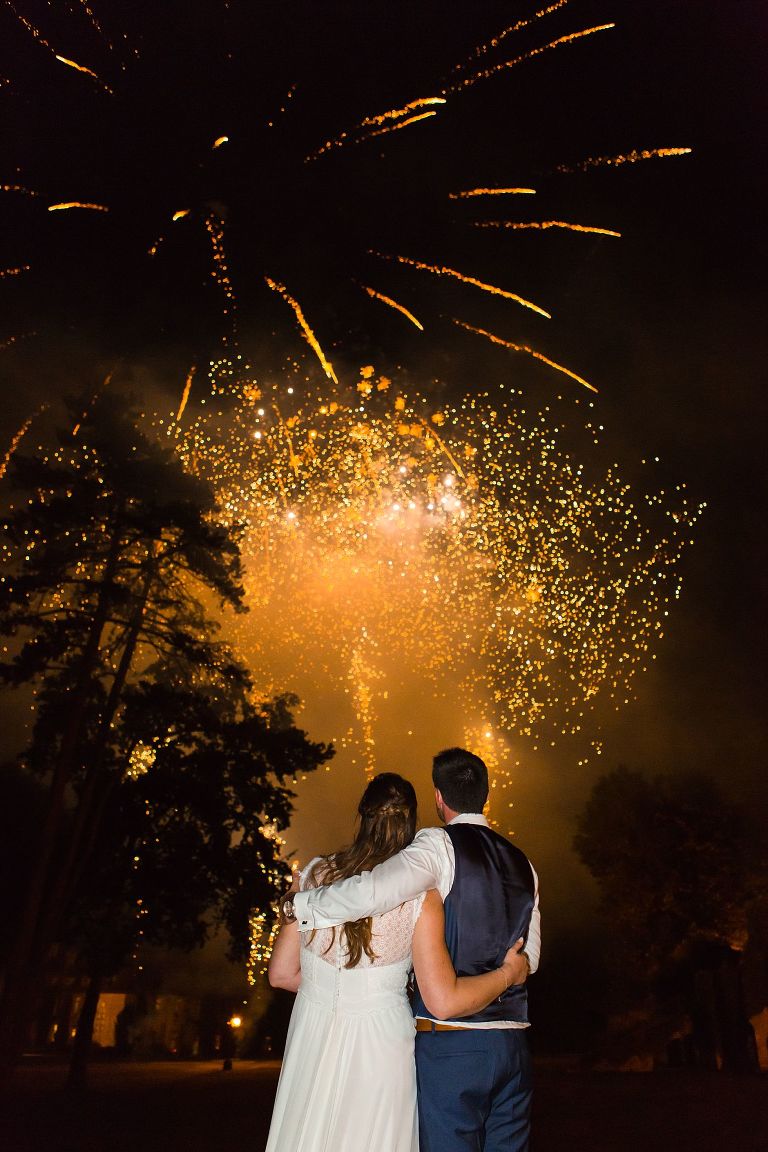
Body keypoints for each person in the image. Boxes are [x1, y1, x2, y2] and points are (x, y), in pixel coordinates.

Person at [288, 748, 539, 1152]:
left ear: (439, 798)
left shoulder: (436, 845)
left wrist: (299, 905)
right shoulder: (523, 863)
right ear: (486, 795)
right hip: (513, 1049)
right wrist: (508, 975)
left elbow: (372, 891)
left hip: (453, 1048)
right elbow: (530, 958)